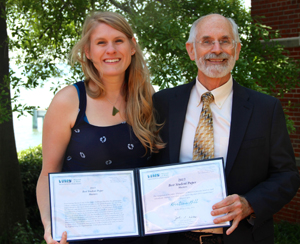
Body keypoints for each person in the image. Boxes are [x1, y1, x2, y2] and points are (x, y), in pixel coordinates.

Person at [152, 14, 300, 244]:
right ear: (192, 50)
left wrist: (250, 203)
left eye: (225, 41)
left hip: (239, 238)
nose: (217, 49)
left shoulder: (265, 108)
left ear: (237, 50)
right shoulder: (162, 103)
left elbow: (287, 175)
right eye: (207, 41)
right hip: (173, 238)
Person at [36, 11, 164, 244]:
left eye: (118, 41)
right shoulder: (68, 101)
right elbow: (48, 173)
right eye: (101, 43)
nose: (111, 50)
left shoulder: (147, 98)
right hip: (82, 235)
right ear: (88, 52)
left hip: (141, 236)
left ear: (132, 47)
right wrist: (49, 225)